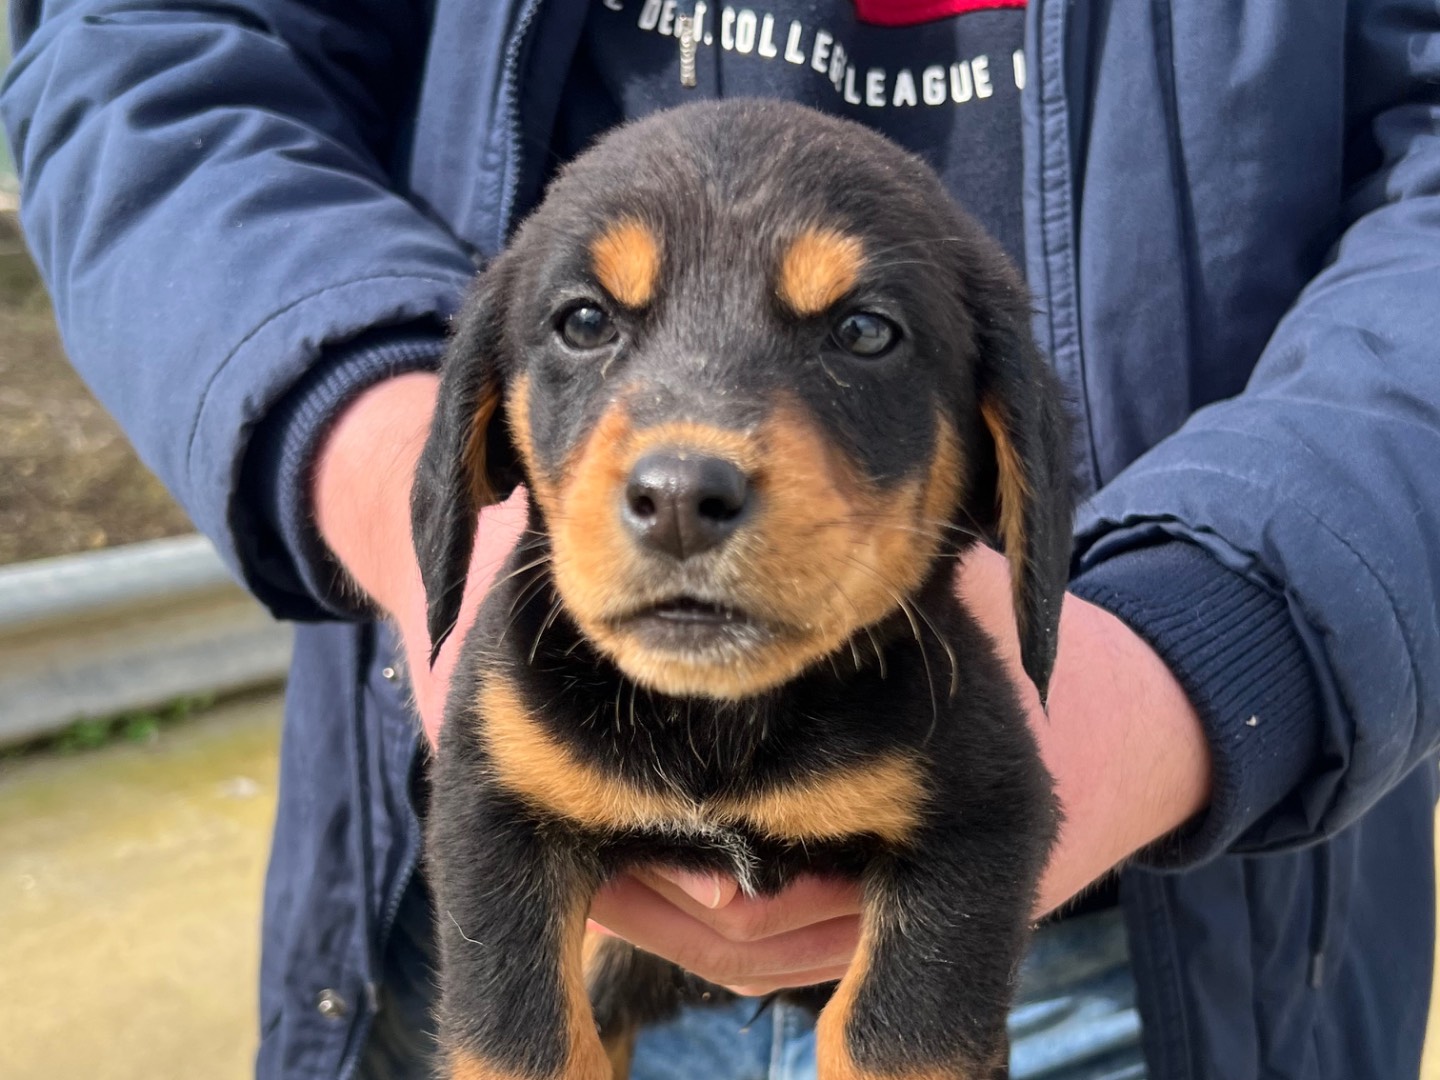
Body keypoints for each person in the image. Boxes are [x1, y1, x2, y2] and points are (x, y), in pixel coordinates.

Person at [4, 2, 1438, 1077]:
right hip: (477, 902)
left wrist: (1211, 636)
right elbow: (152, 49)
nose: (689, 474)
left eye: (862, 333)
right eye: (585, 324)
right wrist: (394, 476)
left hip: (1158, 935)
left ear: (1006, 437)